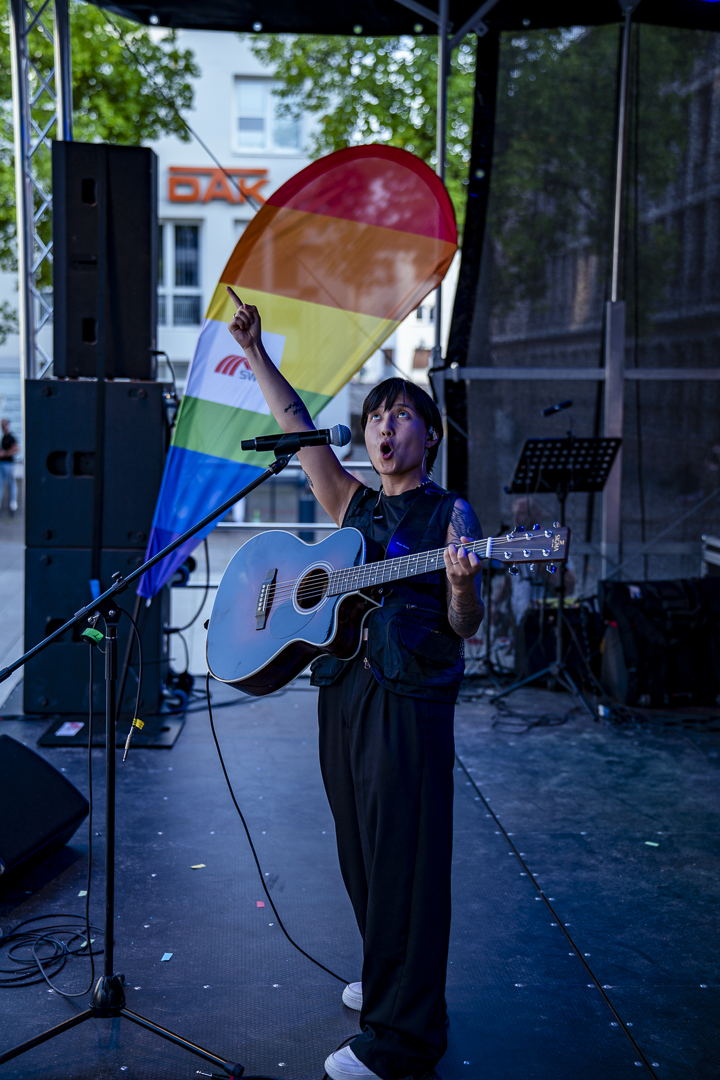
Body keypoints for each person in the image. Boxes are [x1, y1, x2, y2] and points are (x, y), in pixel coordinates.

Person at [226, 288, 484, 1080]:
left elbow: (465, 623)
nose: (383, 425)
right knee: (362, 852)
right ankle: (388, 978)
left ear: (429, 437)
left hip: (409, 699)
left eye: (401, 414)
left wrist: (463, 582)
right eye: (376, 415)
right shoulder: (351, 503)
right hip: (344, 692)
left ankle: (400, 1040)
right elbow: (303, 431)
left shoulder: (451, 516)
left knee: (406, 861)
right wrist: (260, 354)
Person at [0, 419, 19, 515]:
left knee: (11, 484)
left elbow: (16, 448)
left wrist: (6, 453)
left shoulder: (11, 437)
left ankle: (13, 505)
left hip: (9, 464)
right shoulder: (3, 437)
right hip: (2, 464)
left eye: (4, 424)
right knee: (1, 485)